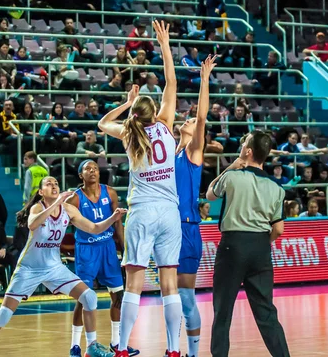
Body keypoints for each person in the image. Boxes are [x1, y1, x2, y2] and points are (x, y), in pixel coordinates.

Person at [0, 176, 126, 357]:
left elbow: (94, 228)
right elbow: (32, 223)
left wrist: (113, 218)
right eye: (49, 184)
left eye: (56, 183)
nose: (54, 185)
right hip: (29, 269)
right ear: (41, 192)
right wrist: (57, 202)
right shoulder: (38, 208)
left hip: (54, 268)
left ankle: (91, 346)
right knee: (3, 314)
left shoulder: (68, 209)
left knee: (89, 297)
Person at [99, 20, 183, 357]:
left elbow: (103, 123)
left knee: (134, 284)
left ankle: (120, 347)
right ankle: (174, 350)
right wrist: (163, 44)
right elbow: (172, 81)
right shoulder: (165, 125)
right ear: (156, 112)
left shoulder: (129, 133)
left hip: (142, 212)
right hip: (170, 213)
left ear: (135, 114)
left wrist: (126, 102)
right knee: (169, 285)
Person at [206, 130, 290, 357]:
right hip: (261, 247)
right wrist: (262, 243)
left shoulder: (232, 177)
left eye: (244, 141)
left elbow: (209, 195)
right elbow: (279, 229)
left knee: (222, 312)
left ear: (248, 151)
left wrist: (230, 167)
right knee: (266, 314)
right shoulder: (277, 188)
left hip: (233, 246)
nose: (241, 143)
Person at [67, 160, 139, 357]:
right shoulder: (75, 198)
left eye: (95, 169)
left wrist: (125, 249)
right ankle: (75, 345)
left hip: (107, 249)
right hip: (87, 250)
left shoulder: (111, 193)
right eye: (88, 169)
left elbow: (118, 225)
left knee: (118, 296)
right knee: (83, 300)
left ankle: (116, 342)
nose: (92, 171)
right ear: (81, 175)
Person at [175, 55, 217, 357]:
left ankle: (193, 353)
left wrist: (204, 80)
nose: (187, 120)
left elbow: (201, 117)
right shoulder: (170, 152)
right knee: (170, 297)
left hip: (187, 229)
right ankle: (171, 348)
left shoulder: (193, 152)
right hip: (165, 228)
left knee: (186, 297)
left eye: (189, 120)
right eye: (186, 119)